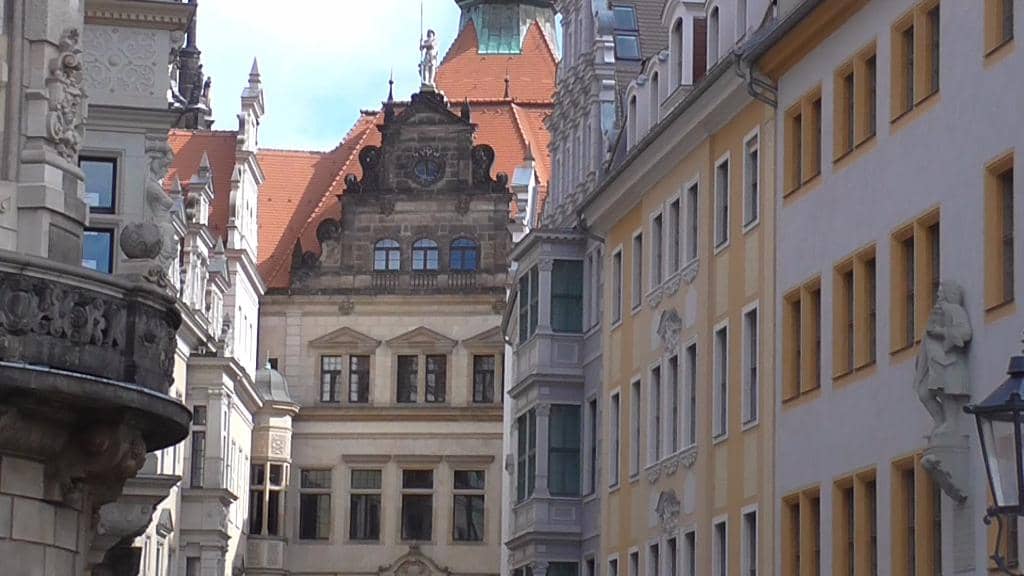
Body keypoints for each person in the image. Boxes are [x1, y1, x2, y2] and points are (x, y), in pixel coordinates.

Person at [914, 281, 972, 438]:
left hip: (948, 359)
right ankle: (940, 421)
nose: (938, 294)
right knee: (924, 392)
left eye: (941, 291)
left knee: (944, 390)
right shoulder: (939, 309)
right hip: (934, 360)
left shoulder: (954, 309)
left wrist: (941, 332)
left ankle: (950, 423)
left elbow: (965, 332)